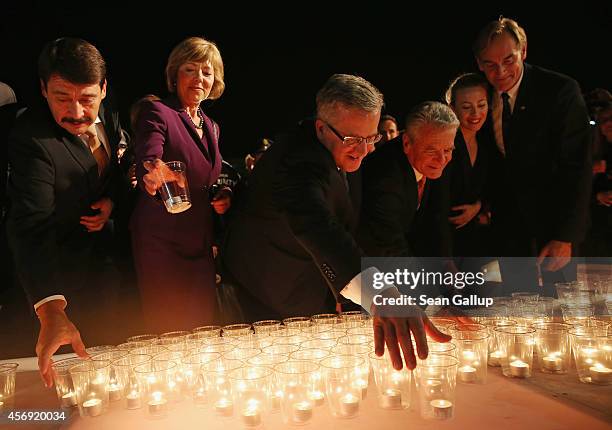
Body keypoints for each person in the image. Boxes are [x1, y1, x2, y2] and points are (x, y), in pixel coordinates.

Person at [223, 74, 450, 370]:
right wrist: (382, 296)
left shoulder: (346, 146)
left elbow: (357, 230)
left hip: (309, 286)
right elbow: (319, 228)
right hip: (263, 291)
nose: (366, 150)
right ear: (321, 127)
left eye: (372, 138)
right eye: (356, 140)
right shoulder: (295, 162)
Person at [6, 38, 125, 386]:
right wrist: (49, 308)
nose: (76, 112)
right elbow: (30, 223)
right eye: (62, 98)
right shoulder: (31, 139)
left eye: (87, 99)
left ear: (103, 89)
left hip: (107, 270)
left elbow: (116, 169)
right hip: (58, 276)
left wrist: (112, 202)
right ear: (43, 90)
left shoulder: (113, 111)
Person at [473, 17, 591, 290]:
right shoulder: (480, 96)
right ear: (479, 63)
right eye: (489, 64)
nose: (500, 71)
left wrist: (565, 237)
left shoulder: (560, 91)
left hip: (554, 229)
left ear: (523, 51)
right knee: (517, 314)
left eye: (508, 60)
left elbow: (577, 167)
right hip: (508, 232)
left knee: (558, 315)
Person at [130, 37, 228, 333]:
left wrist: (222, 193)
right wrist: (154, 171)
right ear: (175, 75)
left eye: (207, 72)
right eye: (190, 69)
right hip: (163, 243)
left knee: (203, 330)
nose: (199, 78)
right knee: (171, 332)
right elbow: (149, 156)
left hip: (199, 244)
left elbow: (208, 178)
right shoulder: (159, 112)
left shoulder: (211, 126)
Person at [358, 101, 457, 258]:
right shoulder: (385, 176)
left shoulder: (436, 158)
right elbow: (388, 243)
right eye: (431, 151)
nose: (442, 159)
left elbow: (436, 218)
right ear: (406, 143)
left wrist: (446, 263)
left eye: (448, 150)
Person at [443, 73, 493, 257]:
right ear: (452, 109)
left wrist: (479, 206)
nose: (476, 114)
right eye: (466, 107)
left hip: (479, 241)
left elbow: (493, 186)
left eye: (481, 105)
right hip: (444, 242)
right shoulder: (443, 143)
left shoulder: (488, 143)